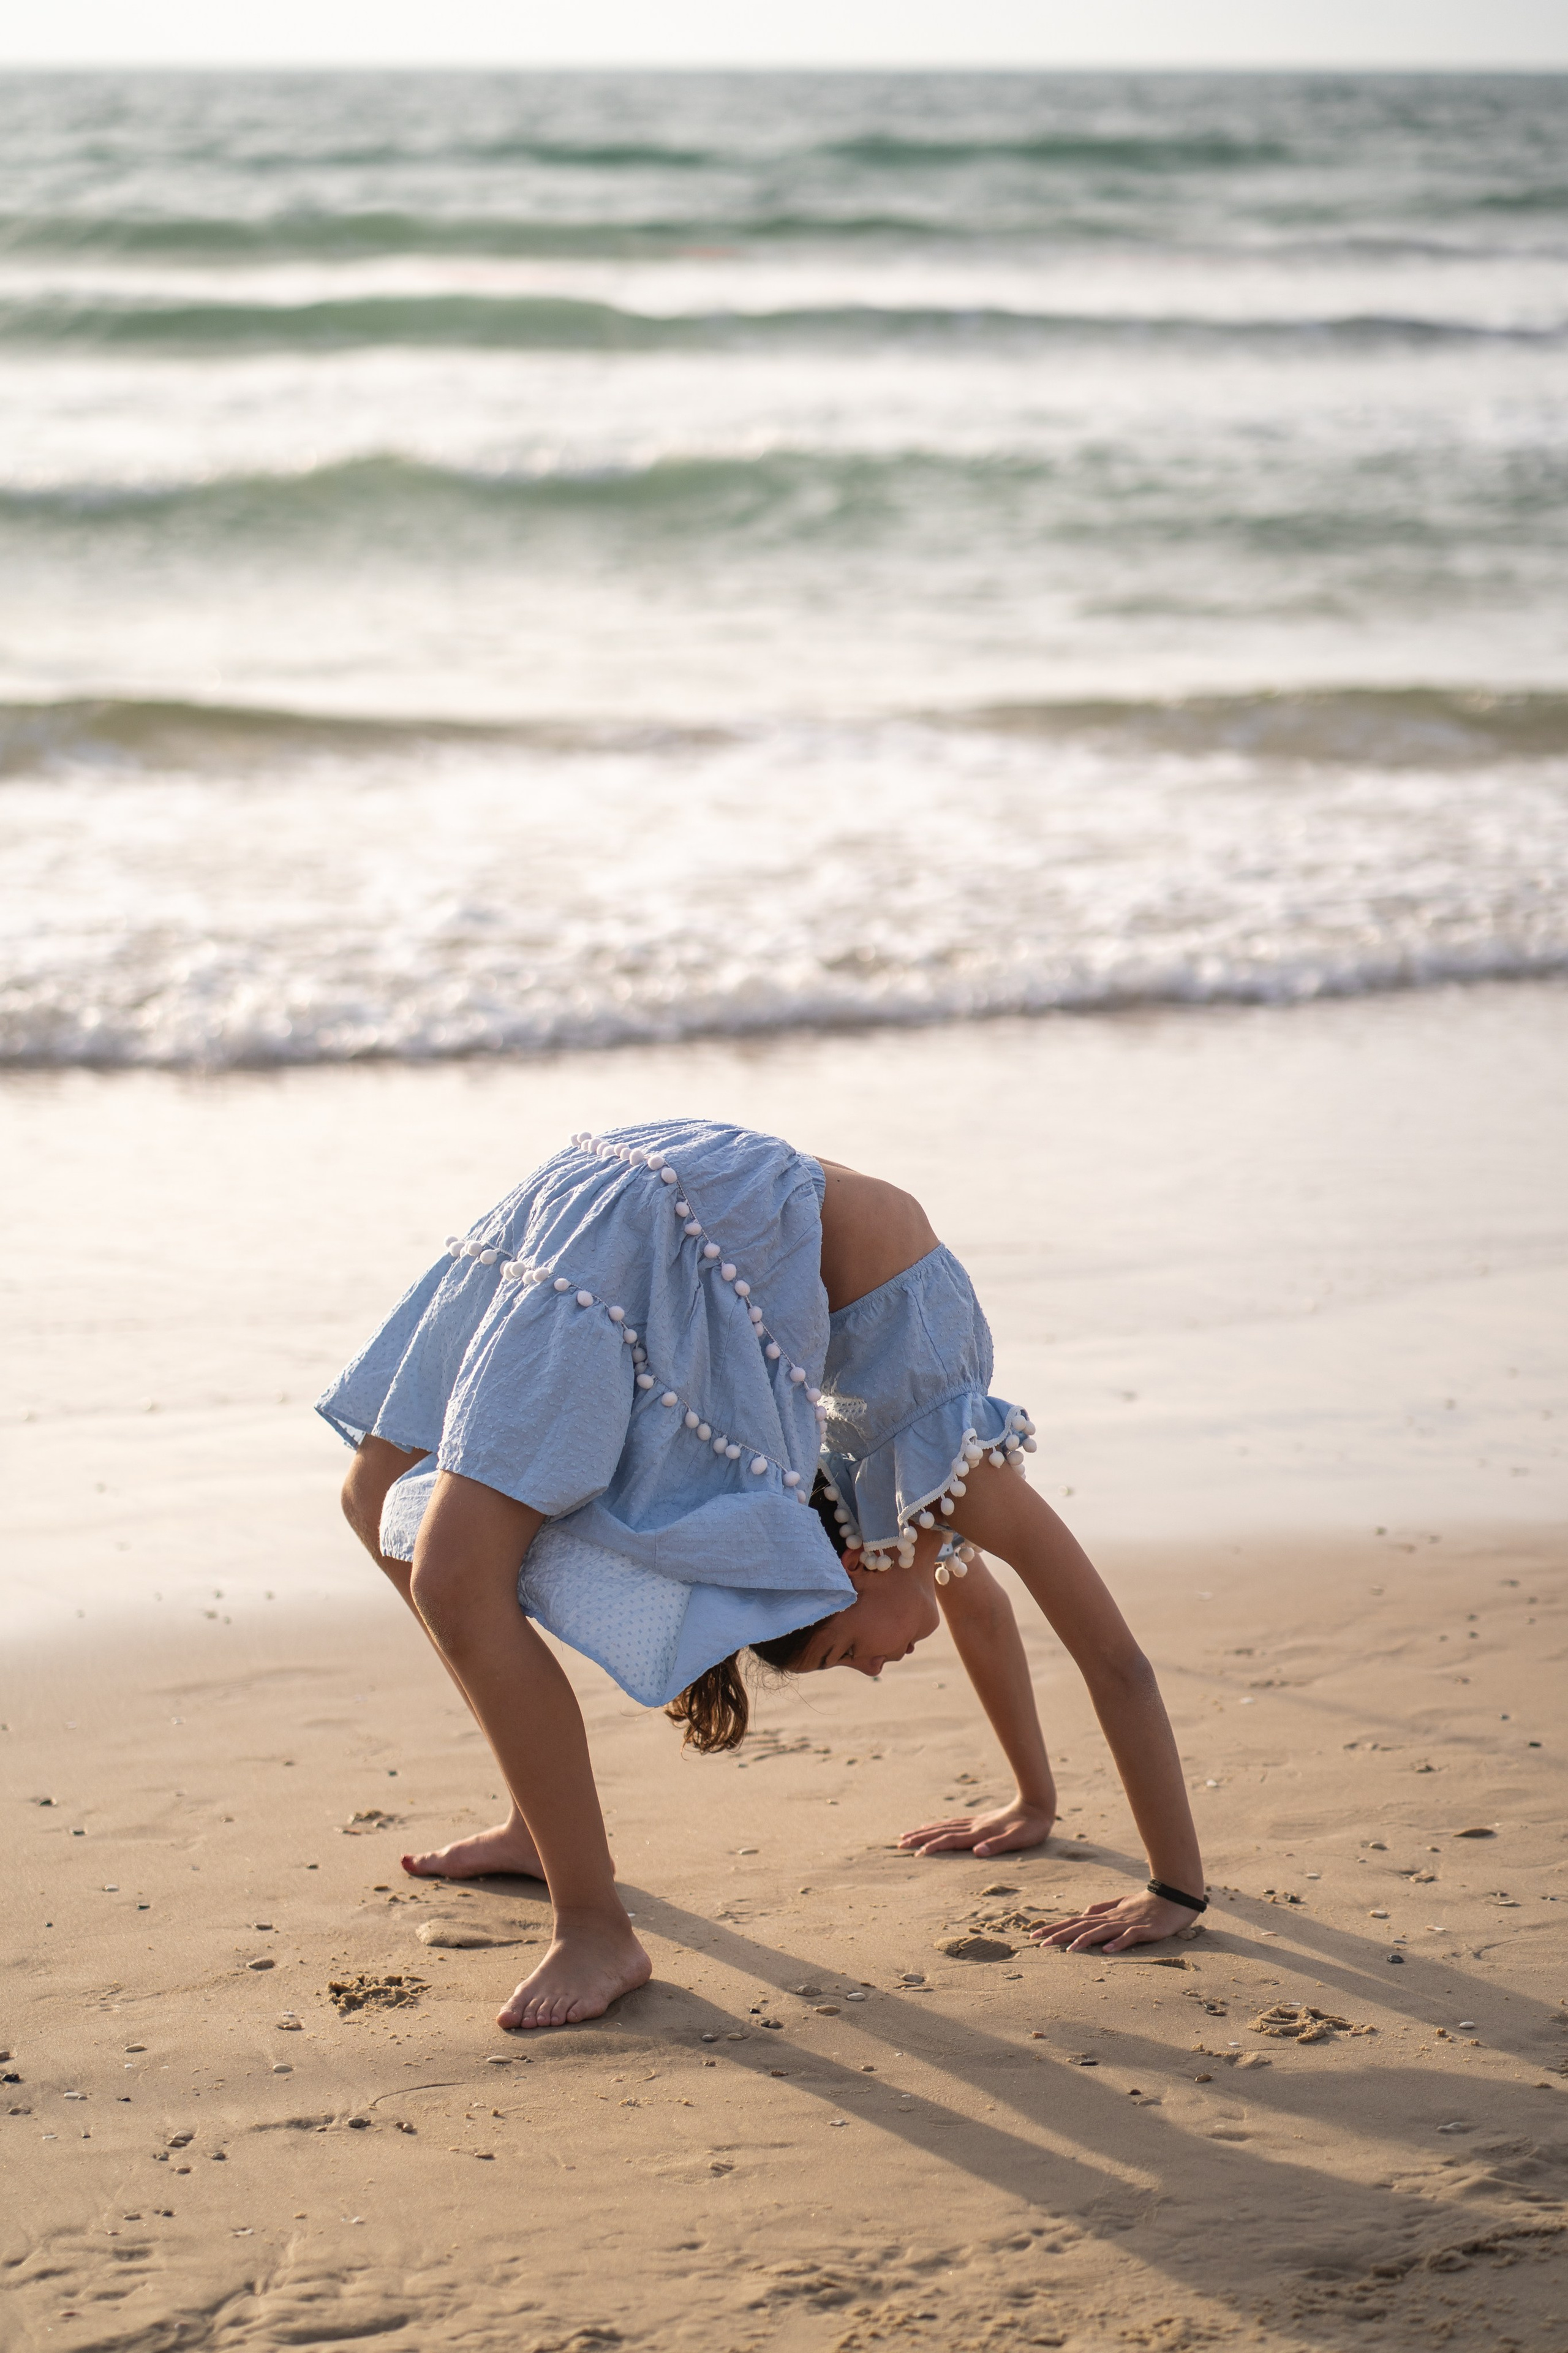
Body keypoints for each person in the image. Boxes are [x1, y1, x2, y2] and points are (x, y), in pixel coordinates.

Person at [322, 1120, 1206, 2031]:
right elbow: (1114, 1658)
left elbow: (980, 1607)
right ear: (851, 1566)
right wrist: (1175, 1884)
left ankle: (552, 1852)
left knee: (406, 1525)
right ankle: (586, 1912)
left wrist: (1039, 1803)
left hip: (659, 1190)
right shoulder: (944, 1478)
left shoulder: (897, 1501)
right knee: (417, 1537)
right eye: (843, 1650)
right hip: (658, 1205)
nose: (869, 1670)